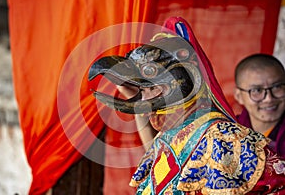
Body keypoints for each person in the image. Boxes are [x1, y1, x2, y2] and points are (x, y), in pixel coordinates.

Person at [88, 17, 285, 194]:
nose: (267, 98)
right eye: (141, 87)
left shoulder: (223, 136)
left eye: (150, 76)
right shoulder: (171, 135)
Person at [234, 54, 285, 157]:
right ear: (239, 96)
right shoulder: (229, 134)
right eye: (257, 90)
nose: (268, 99)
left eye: (277, 87)